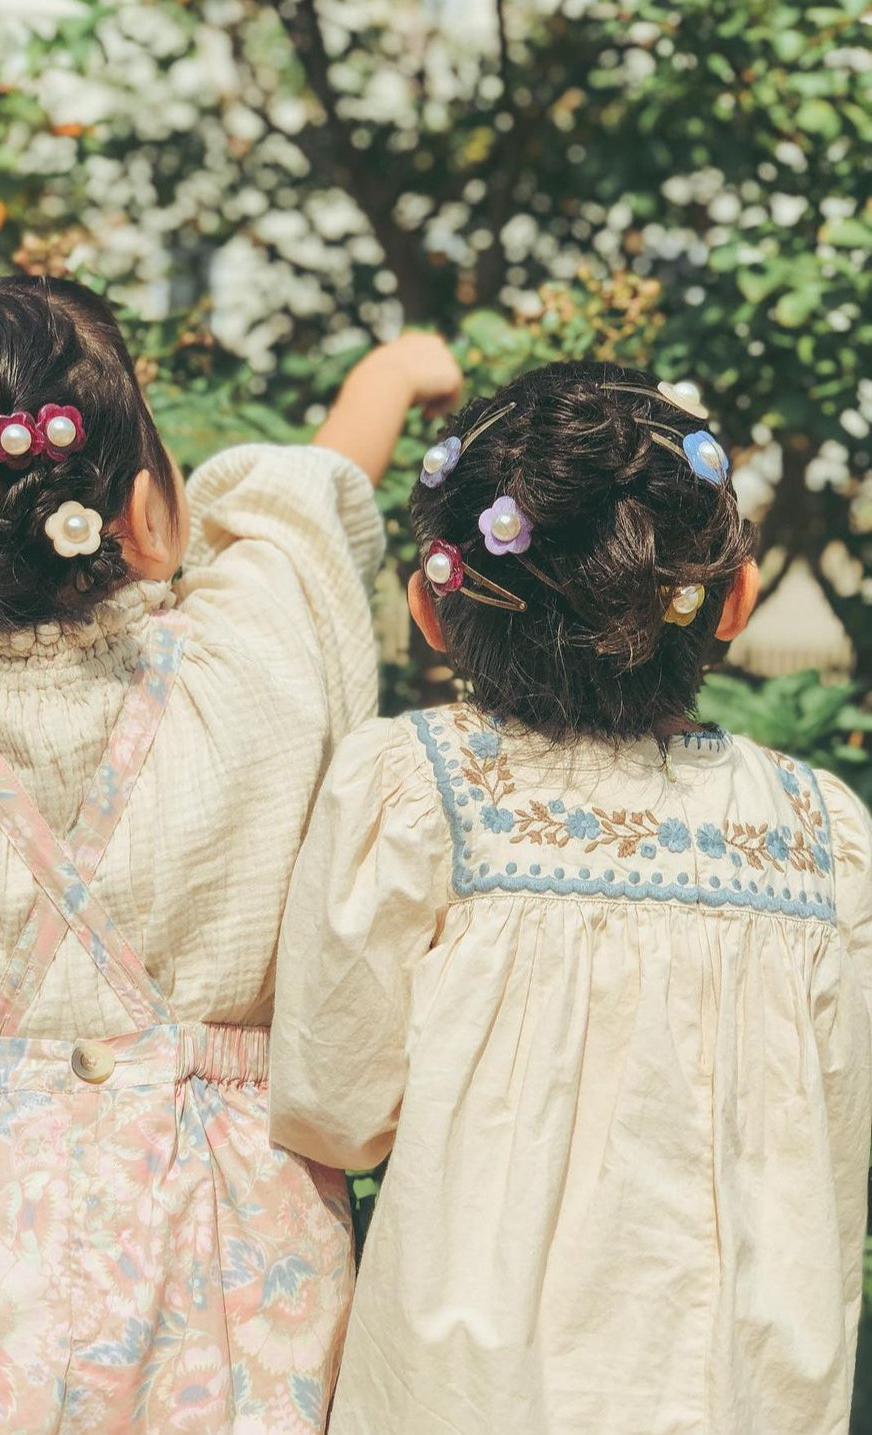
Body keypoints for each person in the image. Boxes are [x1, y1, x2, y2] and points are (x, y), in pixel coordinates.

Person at [0, 271, 463, 1434]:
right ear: (141, 513)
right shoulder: (258, 655)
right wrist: (391, 374)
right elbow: (305, 503)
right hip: (243, 1235)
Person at [270, 361, 872, 1435]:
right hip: (743, 1388)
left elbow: (334, 1104)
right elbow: (839, 1141)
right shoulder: (824, 835)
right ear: (732, 597)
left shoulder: (416, 792)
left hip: (475, 1393)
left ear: (432, 613)